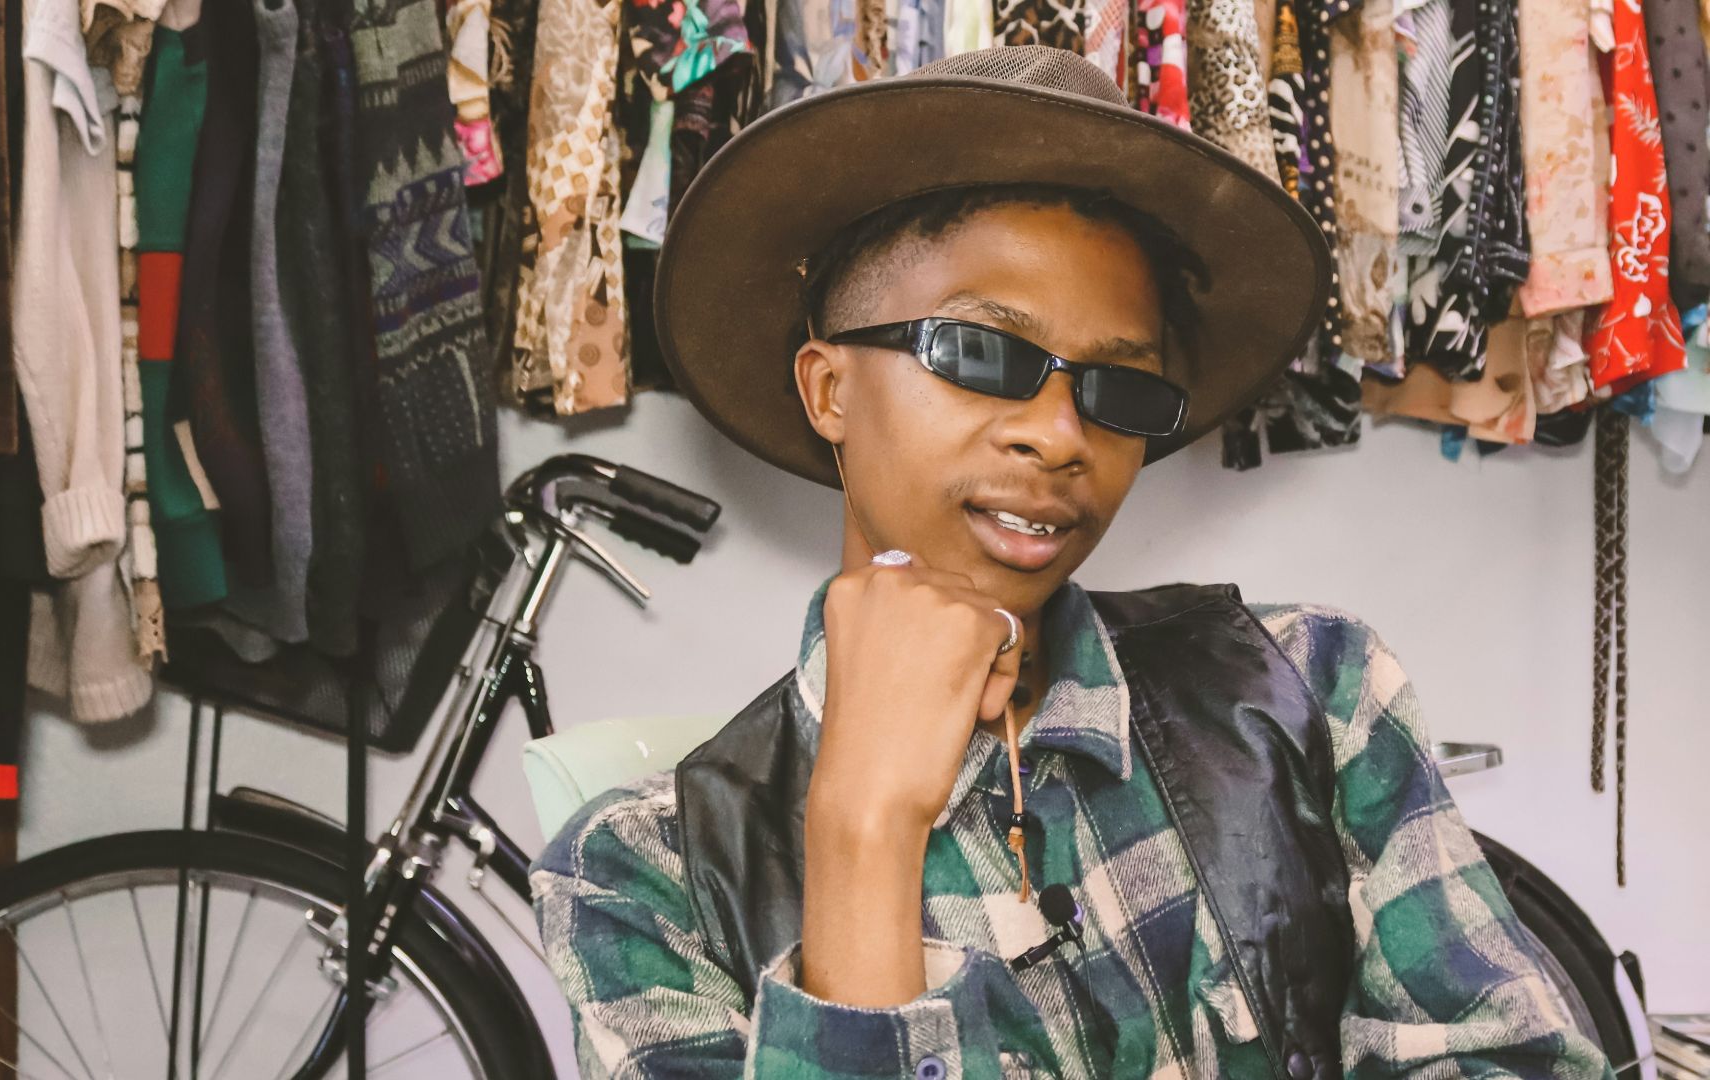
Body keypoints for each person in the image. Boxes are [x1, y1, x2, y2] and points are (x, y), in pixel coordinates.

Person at [531, 47, 1608, 1079]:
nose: (1059, 434)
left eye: (1118, 388)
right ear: (829, 391)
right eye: (983, 352)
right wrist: (863, 832)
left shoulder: (1313, 692)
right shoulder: (639, 876)